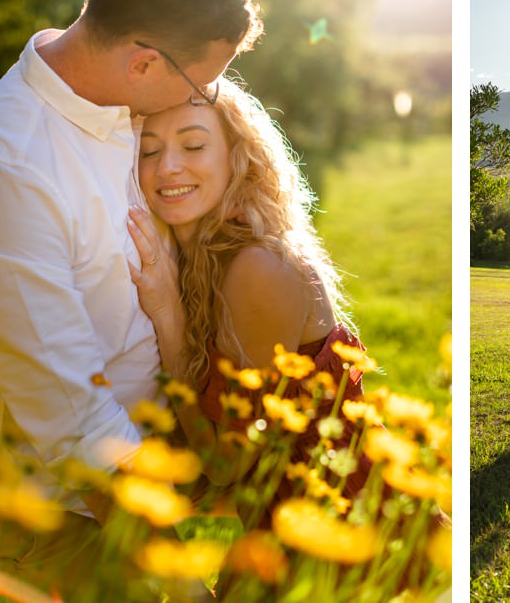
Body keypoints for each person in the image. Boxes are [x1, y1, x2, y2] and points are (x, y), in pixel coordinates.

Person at [0, 0, 261, 595]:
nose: (202, 99)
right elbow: (68, 418)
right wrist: (175, 576)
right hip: (72, 510)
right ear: (144, 61)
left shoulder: (126, 105)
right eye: (204, 81)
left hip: (156, 460)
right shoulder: (3, 167)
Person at [126, 79, 367, 523]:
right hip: (285, 518)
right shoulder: (197, 257)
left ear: (237, 158)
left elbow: (226, 464)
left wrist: (168, 317)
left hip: (345, 524)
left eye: (194, 145)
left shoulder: (258, 266)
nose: (168, 168)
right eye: (149, 151)